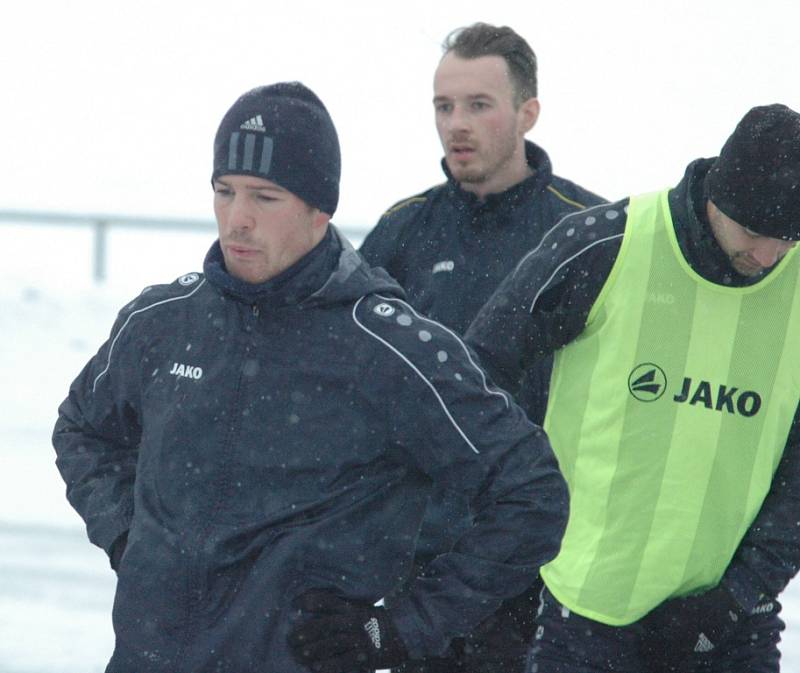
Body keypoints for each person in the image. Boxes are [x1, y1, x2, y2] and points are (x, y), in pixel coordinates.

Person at [51, 81, 568, 673]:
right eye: (225, 192)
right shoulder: (163, 322)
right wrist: (129, 538)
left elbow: (531, 493)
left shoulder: (387, 346)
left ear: (320, 209)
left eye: (265, 197)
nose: (237, 220)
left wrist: (400, 627)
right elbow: (81, 429)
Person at [465, 103, 800, 672]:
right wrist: (518, 527)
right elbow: (474, 379)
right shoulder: (607, 245)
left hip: (728, 620)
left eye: (789, 238)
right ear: (717, 194)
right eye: (754, 231)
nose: (768, 256)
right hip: (586, 613)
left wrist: (738, 594)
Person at [359, 22, 604, 672]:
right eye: (444, 106)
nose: (455, 124)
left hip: (552, 569)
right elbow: (352, 390)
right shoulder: (401, 233)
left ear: (528, 111)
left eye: (478, 104)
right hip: (427, 570)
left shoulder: (590, 233)